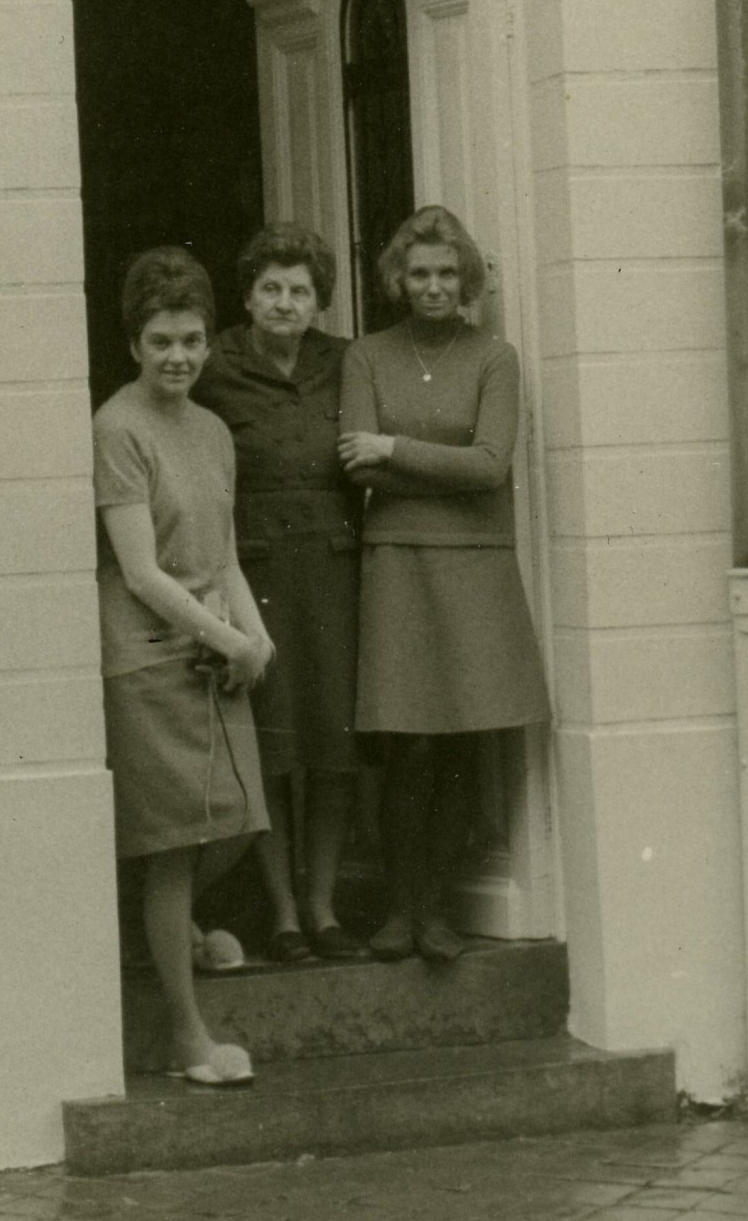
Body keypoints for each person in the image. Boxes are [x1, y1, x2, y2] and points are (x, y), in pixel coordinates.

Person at [337, 207, 551, 964]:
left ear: (467, 281)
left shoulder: (496, 357)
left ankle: (438, 911)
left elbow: (491, 465)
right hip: (397, 561)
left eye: (447, 274)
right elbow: (352, 463)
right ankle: (400, 908)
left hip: (476, 564)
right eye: (420, 273)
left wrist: (395, 446)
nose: (433, 286)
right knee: (408, 744)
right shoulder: (366, 355)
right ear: (399, 278)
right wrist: (425, 463)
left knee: (464, 742)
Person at [94, 246, 276, 1085]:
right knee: (176, 844)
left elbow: (225, 551)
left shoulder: (211, 430)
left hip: (216, 646)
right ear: (135, 343)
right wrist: (221, 636)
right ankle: (186, 1035)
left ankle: (179, 937)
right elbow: (141, 571)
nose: (179, 356)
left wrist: (252, 633)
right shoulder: (118, 428)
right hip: (153, 655)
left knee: (235, 822)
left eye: (194, 339)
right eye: (162, 340)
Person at [193, 225, 368, 964]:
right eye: (271, 288)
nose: (284, 302)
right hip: (253, 570)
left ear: (319, 300)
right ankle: (285, 914)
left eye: (299, 291)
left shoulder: (346, 362)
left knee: (332, 744)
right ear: (248, 295)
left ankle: (325, 908)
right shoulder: (217, 365)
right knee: (270, 746)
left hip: (333, 567)